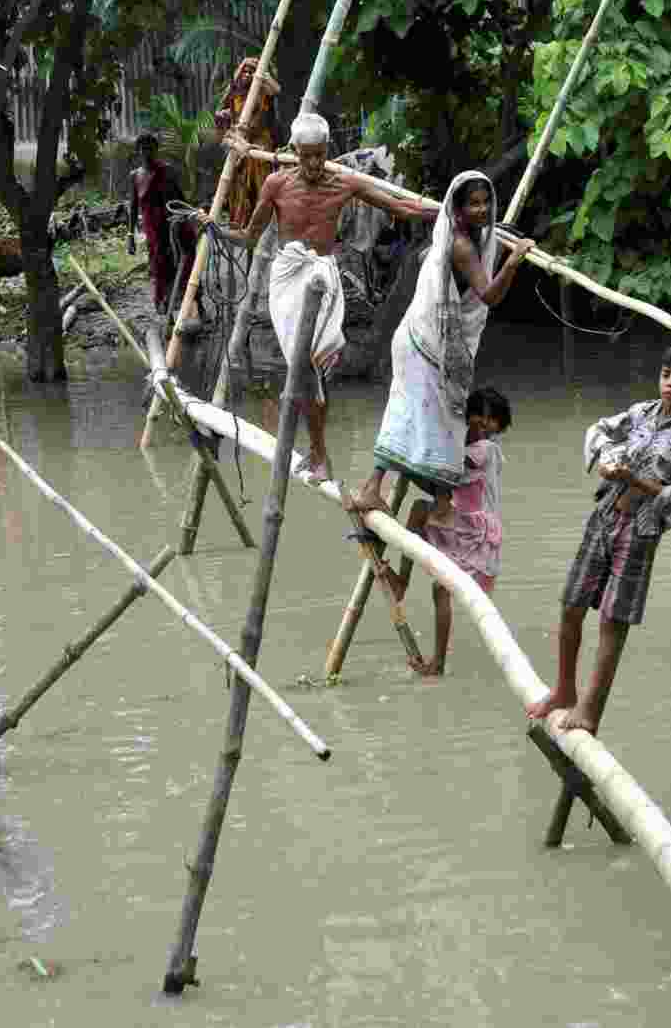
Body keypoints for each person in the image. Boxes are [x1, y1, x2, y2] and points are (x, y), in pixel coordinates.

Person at [213, 113, 440, 483]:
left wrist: (448, 211)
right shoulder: (276, 183)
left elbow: (402, 208)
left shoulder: (344, 183)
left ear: (327, 151)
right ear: (296, 152)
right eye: (307, 156)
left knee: (309, 368)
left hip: (322, 278)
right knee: (303, 370)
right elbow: (250, 236)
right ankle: (319, 453)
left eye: (320, 155)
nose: (315, 164)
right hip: (287, 280)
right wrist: (213, 229)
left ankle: (319, 454)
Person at [526, 342, 671, 734]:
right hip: (604, 514)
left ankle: (589, 708)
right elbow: (598, 430)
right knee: (572, 601)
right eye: (667, 375)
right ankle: (564, 689)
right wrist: (609, 459)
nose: (670, 384)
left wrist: (634, 481)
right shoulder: (640, 413)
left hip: (641, 528)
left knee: (614, 619)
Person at [348, 171, 533, 519]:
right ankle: (434, 499)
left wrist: (503, 240)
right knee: (446, 417)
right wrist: (513, 259)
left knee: (409, 412)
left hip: (418, 338)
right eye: (474, 204)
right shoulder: (461, 244)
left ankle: (388, 490)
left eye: (486, 202)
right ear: (459, 211)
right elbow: (490, 296)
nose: (482, 209)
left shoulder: (449, 230)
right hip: (430, 346)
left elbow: (428, 258)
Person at [395, 386, 511, 677]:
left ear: (499, 425)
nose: (484, 423)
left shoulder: (485, 449)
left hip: (477, 532)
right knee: (420, 511)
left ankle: (438, 664)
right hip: (462, 524)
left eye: (492, 419)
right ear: (468, 415)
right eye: (480, 415)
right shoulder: (464, 450)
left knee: (440, 587)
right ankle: (402, 581)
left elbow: (444, 472)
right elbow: (441, 483)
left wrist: (412, 456)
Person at [128, 133, 202, 325]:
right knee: (160, 268)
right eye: (142, 149)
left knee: (188, 262)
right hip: (154, 231)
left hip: (175, 224)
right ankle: (167, 314)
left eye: (150, 148)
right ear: (138, 152)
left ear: (156, 150)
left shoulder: (167, 171)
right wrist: (130, 235)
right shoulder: (135, 177)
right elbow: (133, 206)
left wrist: (191, 216)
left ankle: (197, 304)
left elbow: (179, 198)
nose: (146, 153)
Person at [213, 56, 280, 229]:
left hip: (259, 142)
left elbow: (275, 90)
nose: (248, 75)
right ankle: (240, 222)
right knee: (238, 185)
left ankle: (264, 222)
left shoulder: (262, 91)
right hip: (238, 142)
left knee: (260, 183)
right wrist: (224, 116)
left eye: (252, 72)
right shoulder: (234, 91)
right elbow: (220, 112)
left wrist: (263, 75)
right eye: (245, 71)